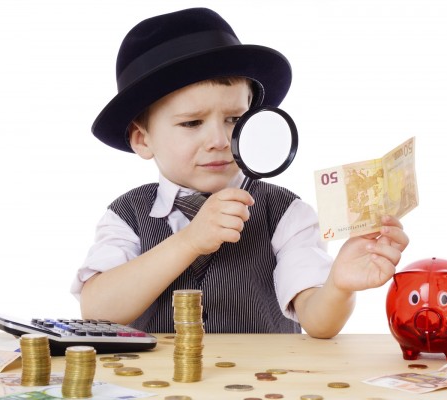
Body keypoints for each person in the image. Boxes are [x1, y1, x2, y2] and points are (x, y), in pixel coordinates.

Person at [70, 7, 409, 338]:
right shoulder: (126, 216)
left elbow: (318, 321)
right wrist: (189, 241)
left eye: (234, 119)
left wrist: (338, 284)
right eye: (192, 123)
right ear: (143, 140)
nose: (220, 140)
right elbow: (98, 312)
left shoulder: (285, 213)